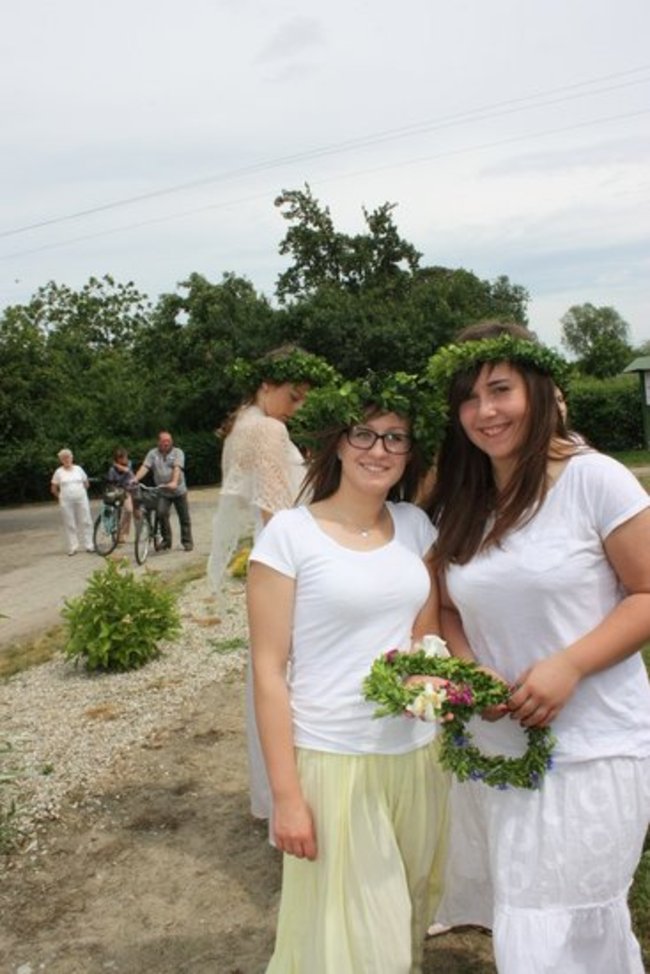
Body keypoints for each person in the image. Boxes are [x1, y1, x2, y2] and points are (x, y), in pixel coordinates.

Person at [425, 321, 650, 974]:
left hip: (594, 747)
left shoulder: (594, 480)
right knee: (529, 914)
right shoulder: (464, 499)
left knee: (548, 924)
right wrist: (470, 670)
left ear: (541, 390)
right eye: (469, 396)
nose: (484, 411)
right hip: (499, 748)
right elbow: (443, 605)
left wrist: (569, 665)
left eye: (501, 389)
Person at [247, 373, 449, 974]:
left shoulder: (416, 526)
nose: (378, 449)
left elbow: (425, 632)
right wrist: (286, 797)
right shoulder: (290, 534)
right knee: (355, 937)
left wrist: (426, 678)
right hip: (334, 760)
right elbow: (266, 671)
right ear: (338, 442)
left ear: (409, 454)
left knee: (405, 913)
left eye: (396, 438)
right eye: (365, 433)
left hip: (415, 755)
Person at [208, 344, 338, 822]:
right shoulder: (266, 428)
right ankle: (300, 797)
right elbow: (277, 508)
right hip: (288, 555)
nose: (297, 407)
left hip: (272, 549)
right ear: (266, 385)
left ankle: (281, 793)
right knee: (293, 673)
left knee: (274, 670)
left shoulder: (246, 422)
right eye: (294, 395)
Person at [135, 431, 193, 551]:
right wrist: (135, 478)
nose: (166, 443)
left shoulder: (178, 452)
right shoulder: (153, 453)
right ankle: (166, 541)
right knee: (161, 513)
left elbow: (177, 468)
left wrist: (174, 482)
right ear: (159, 442)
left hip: (178, 490)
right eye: (164, 441)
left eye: (169, 441)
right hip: (163, 490)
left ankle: (187, 541)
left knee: (184, 516)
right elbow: (145, 467)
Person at [50, 448, 94, 556]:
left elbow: (86, 483)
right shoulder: (58, 472)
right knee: (69, 523)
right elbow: (53, 488)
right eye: (64, 458)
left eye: (68, 457)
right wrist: (60, 497)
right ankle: (73, 547)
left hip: (81, 498)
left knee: (86, 520)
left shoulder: (78, 469)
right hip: (66, 501)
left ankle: (89, 545)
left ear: (72, 457)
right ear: (61, 460)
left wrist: (80, 492)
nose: (66, 460)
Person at [107, 447, 140, 543]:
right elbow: (111, 482)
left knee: (137, 513)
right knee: (128, 510)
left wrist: (119, 466)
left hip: (133, 489)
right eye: (123, 458)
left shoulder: (129, 464)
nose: (126, 459)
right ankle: (120, 533)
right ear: (118, 459)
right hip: (121, 491)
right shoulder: (112, 470)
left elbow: (128, 471)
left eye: (125, 457)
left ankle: (127, 533)